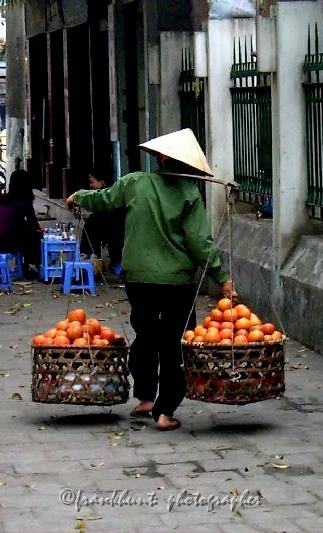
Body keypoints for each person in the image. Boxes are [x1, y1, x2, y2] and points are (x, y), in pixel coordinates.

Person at [66, 129, 238, 431]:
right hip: (176, 282)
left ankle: (145, 397)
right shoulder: (188, 193)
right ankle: (164, 411)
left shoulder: (135, 183)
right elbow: (199, 243)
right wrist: (221, 276)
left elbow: (103, 199)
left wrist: (79, 196)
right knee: (175, 343)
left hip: (139, 279)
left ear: (159, 159)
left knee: (145, 335)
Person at [79, 170, 124, 277]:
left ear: (102, 182)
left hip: (117, 237)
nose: (90, 185)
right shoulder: (112, 196)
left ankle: (92, 259)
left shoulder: (108, 198)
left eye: (92, 182)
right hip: (116, 239)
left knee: (90, 226)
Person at [0, 169, 43, 278]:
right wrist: (38, 229)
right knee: (35, 235)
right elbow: (33, 223)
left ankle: (26, 265)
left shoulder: (3, 198)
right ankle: (31, 265)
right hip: (8, 243)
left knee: (23, 229)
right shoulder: (24, 202)